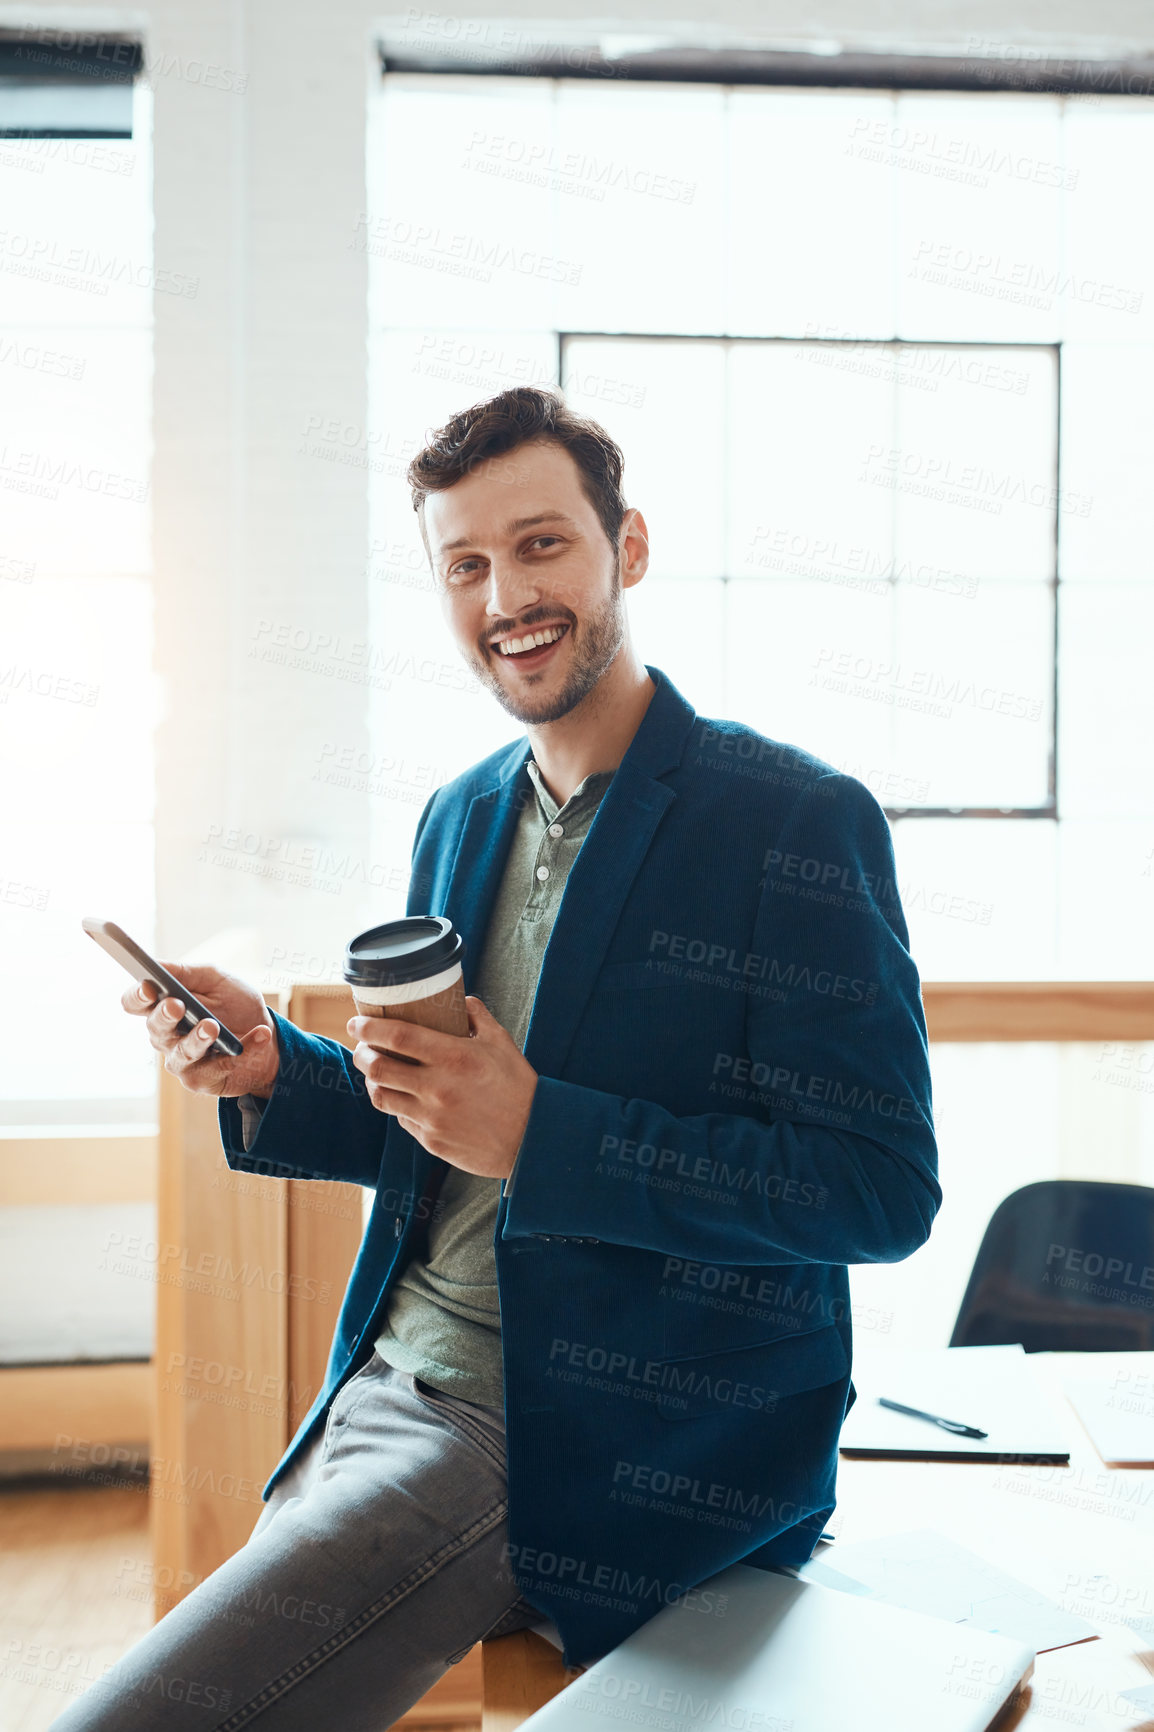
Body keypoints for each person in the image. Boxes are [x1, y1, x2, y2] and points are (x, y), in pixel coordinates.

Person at [54, 387, 940, 1730]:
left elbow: (874, 1190)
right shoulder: (460, 814)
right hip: (381, 1382)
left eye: (540, 546)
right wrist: (271, 1071)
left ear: (624, 548)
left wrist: (545, 1137)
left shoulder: (792, 821)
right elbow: (436, 1133)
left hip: (574, 1436)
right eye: (463, 564)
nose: (504, 595)